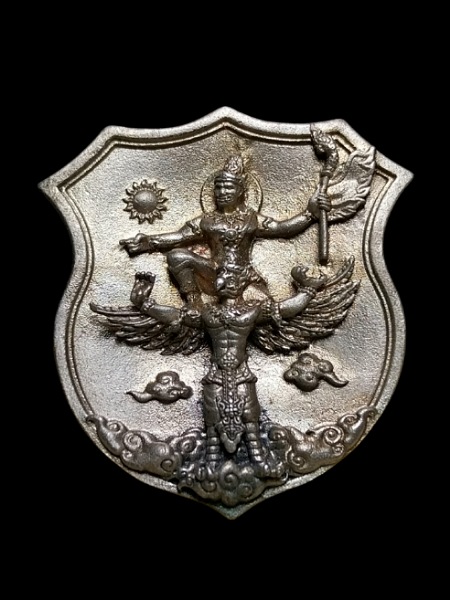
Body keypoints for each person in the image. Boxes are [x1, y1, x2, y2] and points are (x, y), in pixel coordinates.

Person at [120, 156, 330, 307]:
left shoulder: (252, 219)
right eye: (218, 188)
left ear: (241, 191)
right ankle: (194, 302)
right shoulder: (207, 220)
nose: (222, 192)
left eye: (228, 188)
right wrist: (149, 241)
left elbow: (282, 229)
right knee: (176, 256)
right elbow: (180, 236)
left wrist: (309, 215)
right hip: (213, 273)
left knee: (265, 309)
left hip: (243, 276)